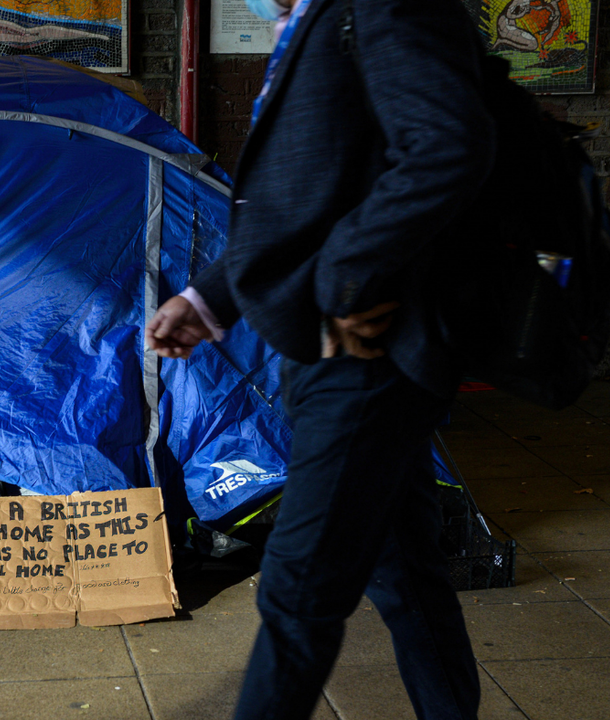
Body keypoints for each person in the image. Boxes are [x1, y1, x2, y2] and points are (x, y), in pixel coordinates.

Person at [147, 0, 495, 718]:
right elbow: (306, 197)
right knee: (406, 577)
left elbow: (448, 145)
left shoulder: (379, 7)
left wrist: (342, 284)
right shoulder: (315, 20)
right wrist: (209, 300)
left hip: (367, 351)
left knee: (298, 591)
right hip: (332, 351)